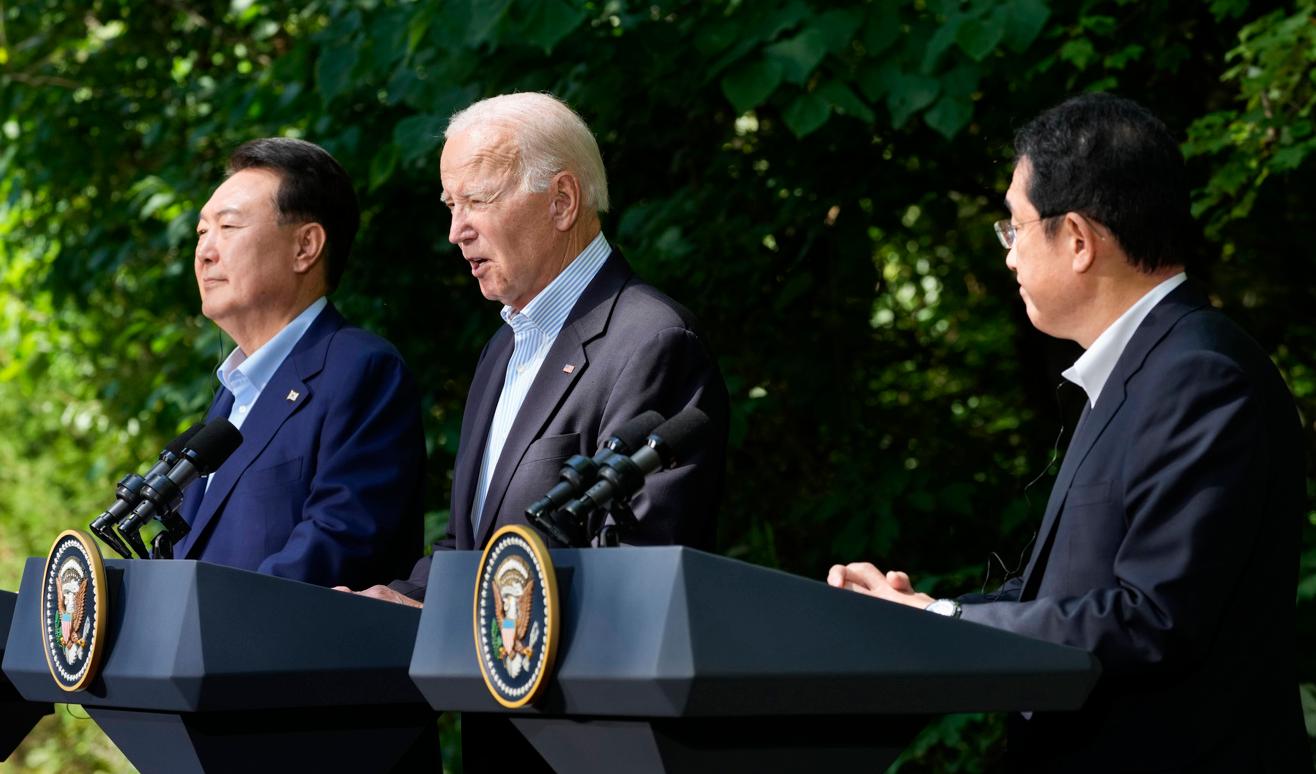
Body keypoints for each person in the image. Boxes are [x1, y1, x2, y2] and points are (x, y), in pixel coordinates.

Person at [828, 94, 1311, 771]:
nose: (1008, 258)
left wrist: (944, 626)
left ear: (1078, 239)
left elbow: (1154, 619)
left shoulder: (1199, 376)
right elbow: (1068, 597)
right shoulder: (1140, 370)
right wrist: (928, 612)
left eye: (1014, 229)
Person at [347, 91, 728, 608]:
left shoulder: (653, 342)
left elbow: (636, 568)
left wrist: (455, 616)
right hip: (482, 681)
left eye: (477, 201)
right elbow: (468, 546)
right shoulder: (503, 347)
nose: (456, 232)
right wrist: (395, 602)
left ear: (562, 201)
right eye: (451, 205)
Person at [174, 137, 425, 590]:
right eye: (201, 232)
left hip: (282, 653)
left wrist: (205, 622)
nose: (205, 252)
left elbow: (337, 543)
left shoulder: (360, 371)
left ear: (305, 247)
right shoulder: (232, 394)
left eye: (228, 228)